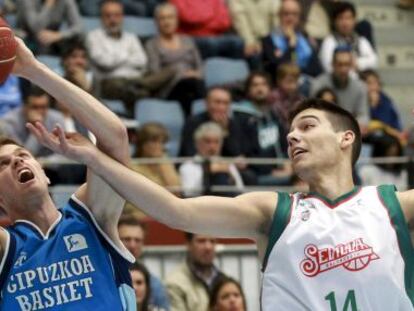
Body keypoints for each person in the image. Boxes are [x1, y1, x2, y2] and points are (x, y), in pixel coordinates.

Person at [28, 95, 414, 310]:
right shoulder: (275, 212)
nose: (292, 137)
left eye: (307, 126)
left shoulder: (392, 206)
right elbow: (175, 210)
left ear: (347, 138)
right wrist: (96, 160)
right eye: (290, 131)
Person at [0, 38, 136, 309]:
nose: (16, 162)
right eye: (2, 164)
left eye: (23, 155)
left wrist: (33, 69)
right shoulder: (7, 247)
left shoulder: (90, 218)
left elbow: (115, 137)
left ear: (45, 173)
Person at [146, 3, 205, 116]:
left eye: (170, 17)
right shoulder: (152, 44)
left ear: (177, 20)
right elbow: (155, 73)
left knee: (194, 87)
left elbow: (200, 68)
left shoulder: (187, 41)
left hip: (193, 85)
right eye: (162, 18)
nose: (167, 22)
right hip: (169, 89)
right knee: (191, 85)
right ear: (156, 22)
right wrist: (182, 74)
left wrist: (197, 74)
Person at [234, 72, 291, 186]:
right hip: (258, 173)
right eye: (255, 85)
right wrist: (271, 171)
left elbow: (284, 144)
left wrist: (288, 166)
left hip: (281, 170)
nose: (260, 89)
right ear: (248, 90)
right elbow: (246, 153)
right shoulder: (240, 116)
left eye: (263, 84)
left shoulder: (273, 114)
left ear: (269, 89)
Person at [125, 123, 181, 215]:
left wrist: (163, 165)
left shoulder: (166, 163)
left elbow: (177, 195)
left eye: (162, 142)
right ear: (142, 144)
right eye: (154, 141)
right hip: (138, 215)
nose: (159, 146)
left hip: (164, 214)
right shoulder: (132, 167)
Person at [310, 46, 370, 131]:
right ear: (332, 64)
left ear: (352, 65)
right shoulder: (318, 84)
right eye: (340, 64)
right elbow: (312, 115)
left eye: (347, 64)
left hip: (350, 133)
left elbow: (363, 116)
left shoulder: (360, 87)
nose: (343, 69)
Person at [179, 122, 244, 197]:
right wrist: (208, 171)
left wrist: (230, 175)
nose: (212, 146)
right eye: (207, 141)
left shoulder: (227, 165)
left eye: (216, 142)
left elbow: (240, 190)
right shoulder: (188, 166)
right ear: (197, 143)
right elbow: (188, 193)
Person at [261, 0, 321, 82]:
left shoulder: (305, 39)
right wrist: (291, 46)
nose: (290, 18)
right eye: (286, 14)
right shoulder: (269, 40)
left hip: (306, 81)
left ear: (299, 17)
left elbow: (316, 69)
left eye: (294, 14)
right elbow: (278, 69)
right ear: (279, 16)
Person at [119, 216, 170, 310]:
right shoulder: (104, 277)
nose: (132, 245)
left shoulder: (155, 284)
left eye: (137, 240)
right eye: (126, 239)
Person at [179, 87, 246, 157]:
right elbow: (189, 153)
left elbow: (236, 155)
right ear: (206, 103)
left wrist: (225, 129)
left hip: (226, 165)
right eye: (217, 102)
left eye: (226, 103)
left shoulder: (234, 124)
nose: (221, 107)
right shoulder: (193, 122)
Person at [0, 85, 65, 158]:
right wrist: (36, 127)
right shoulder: (9, 122)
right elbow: (21, 155)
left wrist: (44, 162)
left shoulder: (57, 119)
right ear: (24, 106)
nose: (40, 112)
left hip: (51, 167)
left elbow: (64, 153)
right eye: (35, 107)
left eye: (43, 107)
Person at [165, 233, 225, 311]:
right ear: (188, 245)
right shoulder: (174, 283)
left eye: (212, 241)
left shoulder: (224, 280)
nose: (208, 247)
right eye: (201, 241)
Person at [319, 1, 377, 74]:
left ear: (354, 20)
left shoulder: (360, 40)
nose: (345, 23)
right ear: (334, 22)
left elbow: (373, 61)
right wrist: (351, 67)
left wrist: (357, 63)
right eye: (341, 18)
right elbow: (329, 69)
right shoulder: (329, 42)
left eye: (348, 18)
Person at [16, 0, 83, 54]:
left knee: (79, 39)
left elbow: (79, 28)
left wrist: (59, 35)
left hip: (53, 39)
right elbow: (36, 27)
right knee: (42, 38)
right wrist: (48, 5)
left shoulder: (67, 1)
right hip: (28, 38)